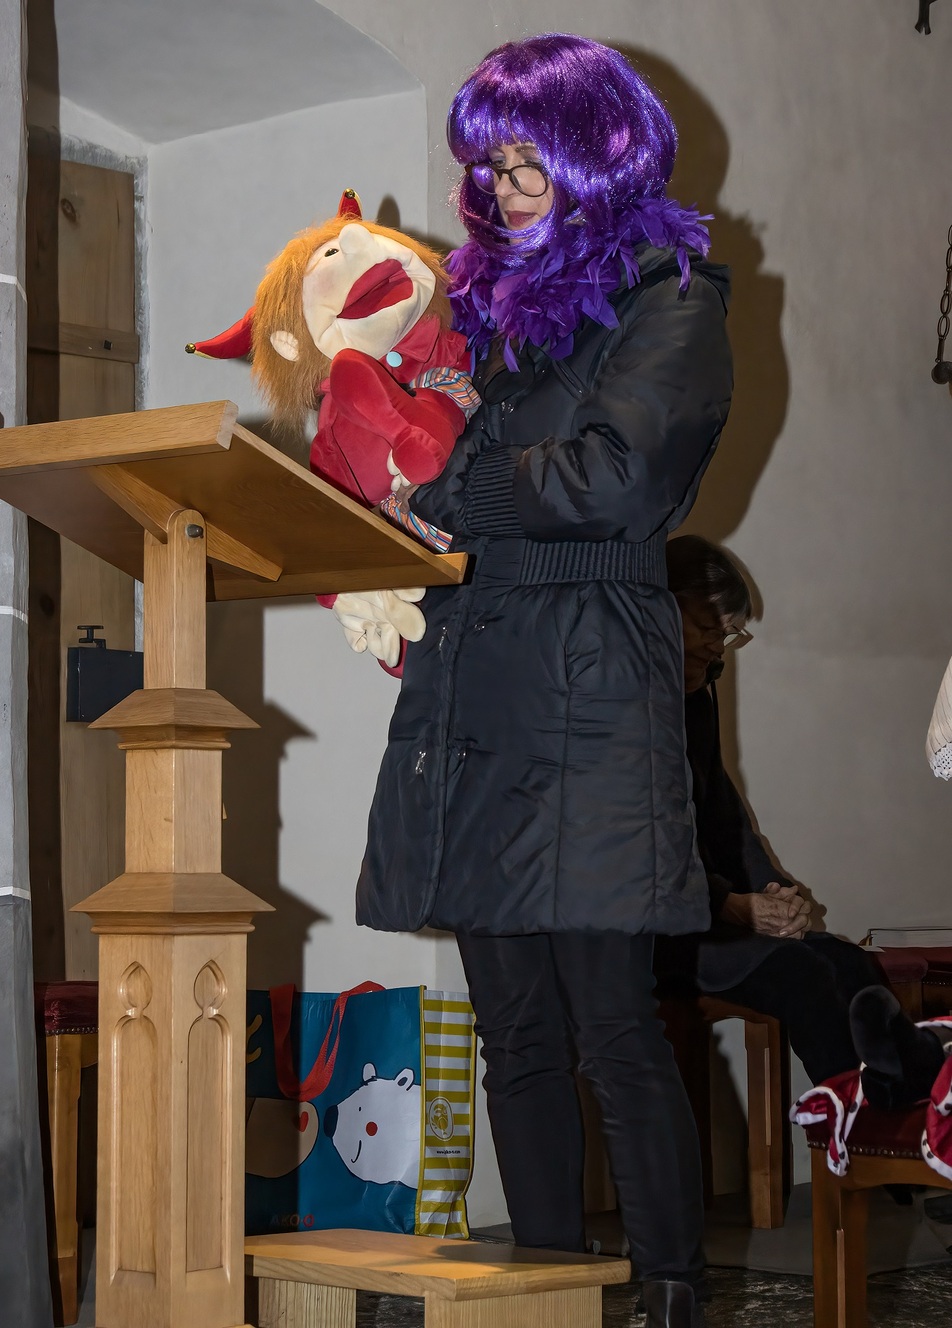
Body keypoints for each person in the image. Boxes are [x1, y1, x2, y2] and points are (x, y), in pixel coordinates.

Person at [354, 34, 733, 1328]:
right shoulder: (499, 316)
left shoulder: (672, 295)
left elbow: (616, 479)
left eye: (529, 164)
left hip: (589, 681)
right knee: (511, 1029)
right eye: (491, 168)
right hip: (483, 675)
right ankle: (547, 1290)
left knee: (613, 1027)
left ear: (600, 155)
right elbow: (478, 467)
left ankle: (671, 1293)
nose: (505, 191)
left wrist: (444, 480)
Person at [659, 534, 880, 1085]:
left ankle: (894, 1127)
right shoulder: (627, 699)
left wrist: (775, 895)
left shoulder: (696, 696)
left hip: (710, 910)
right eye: (709, 629)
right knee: (801, 973)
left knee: (852, 963)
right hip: (658, 927)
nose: (718, 649)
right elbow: (649, 843)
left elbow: (723, 814)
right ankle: (842, 1125)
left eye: (729, 635)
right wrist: (732, 906)